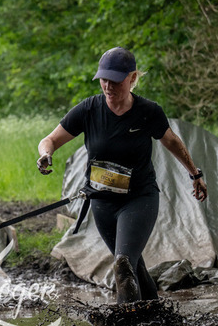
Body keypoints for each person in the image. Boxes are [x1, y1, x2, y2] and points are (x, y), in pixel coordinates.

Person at [36, 47, 207, 304]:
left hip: (139, 199)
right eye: (103, 79)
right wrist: (45, 154)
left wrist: (195, 174)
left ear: (132, 77)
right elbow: (49, 140)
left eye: (115, 80)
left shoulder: (148, 111)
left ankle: (126, 322)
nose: (108, 86)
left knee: (123, 263)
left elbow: (172, 141)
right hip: (102, 203)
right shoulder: (89, 110)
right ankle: (155, 313)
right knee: (133, 266)